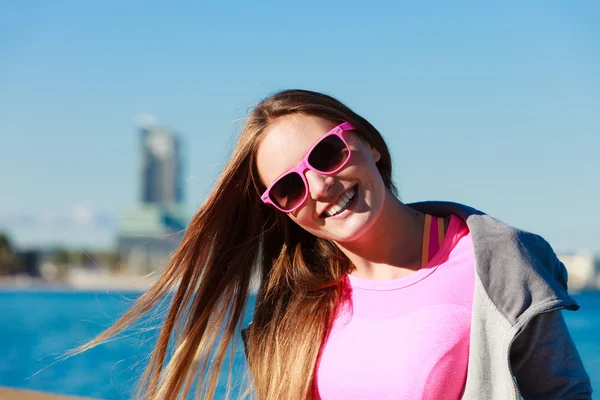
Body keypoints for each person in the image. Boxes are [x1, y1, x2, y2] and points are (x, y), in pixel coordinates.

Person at [82, 89, 591, 399]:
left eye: (326, 154)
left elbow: (563, 394)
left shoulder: (494, 260)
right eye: (289, 187)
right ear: (284, 211)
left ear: (367, 142)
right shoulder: (295, 311)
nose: (320, 186)